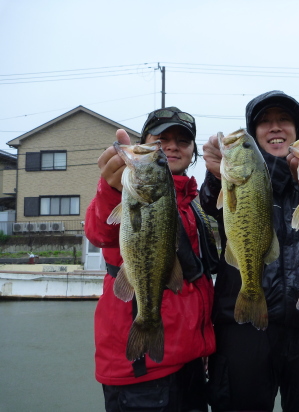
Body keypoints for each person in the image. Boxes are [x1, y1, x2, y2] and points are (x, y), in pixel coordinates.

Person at [200, 91, 299, 412]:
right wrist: (215, 175)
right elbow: (212, 202)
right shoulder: (230, 175)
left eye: (284, 120)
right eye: (264, 122)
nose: (274, 127)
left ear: (298, 131)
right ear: (253, 131)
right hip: (243, 329)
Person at [85, 107, 219, 412]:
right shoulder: (122, 192)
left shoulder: (193, 207)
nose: (171, 147)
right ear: (141, 143)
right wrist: (110, 189)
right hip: (141, 374)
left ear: (193, 153)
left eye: (182, 141)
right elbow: (100, 231)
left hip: (191, 363)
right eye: (160, 140)